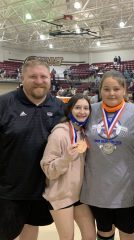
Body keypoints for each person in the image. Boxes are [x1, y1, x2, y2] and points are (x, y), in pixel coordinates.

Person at [0, 59, 64, 240]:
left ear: (50, 78)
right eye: (33, 76)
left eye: (43, 76)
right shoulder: (4, 104)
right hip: (9, 189)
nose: (39, 81)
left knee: (30, 227)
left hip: (43, 188)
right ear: (22, 77)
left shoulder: (58, 107)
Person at [80, 70, 134, 240]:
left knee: (128, 233)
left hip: (126, 191)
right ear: (100, 90)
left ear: (124, 90)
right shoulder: (88, 111)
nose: (111, 93)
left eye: (116, 89)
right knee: (104, 233)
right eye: (106, 89)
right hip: (96, 189)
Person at [40, 94, 96, 240]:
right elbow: (48, 170)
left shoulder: (84, 133)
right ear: (69, 109)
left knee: (90, 236)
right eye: (77, 107)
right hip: (60, 196)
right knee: (67, 238)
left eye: (86, 108)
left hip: (79, 195)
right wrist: (66, 158)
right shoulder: (59, 134)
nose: (82, 112)